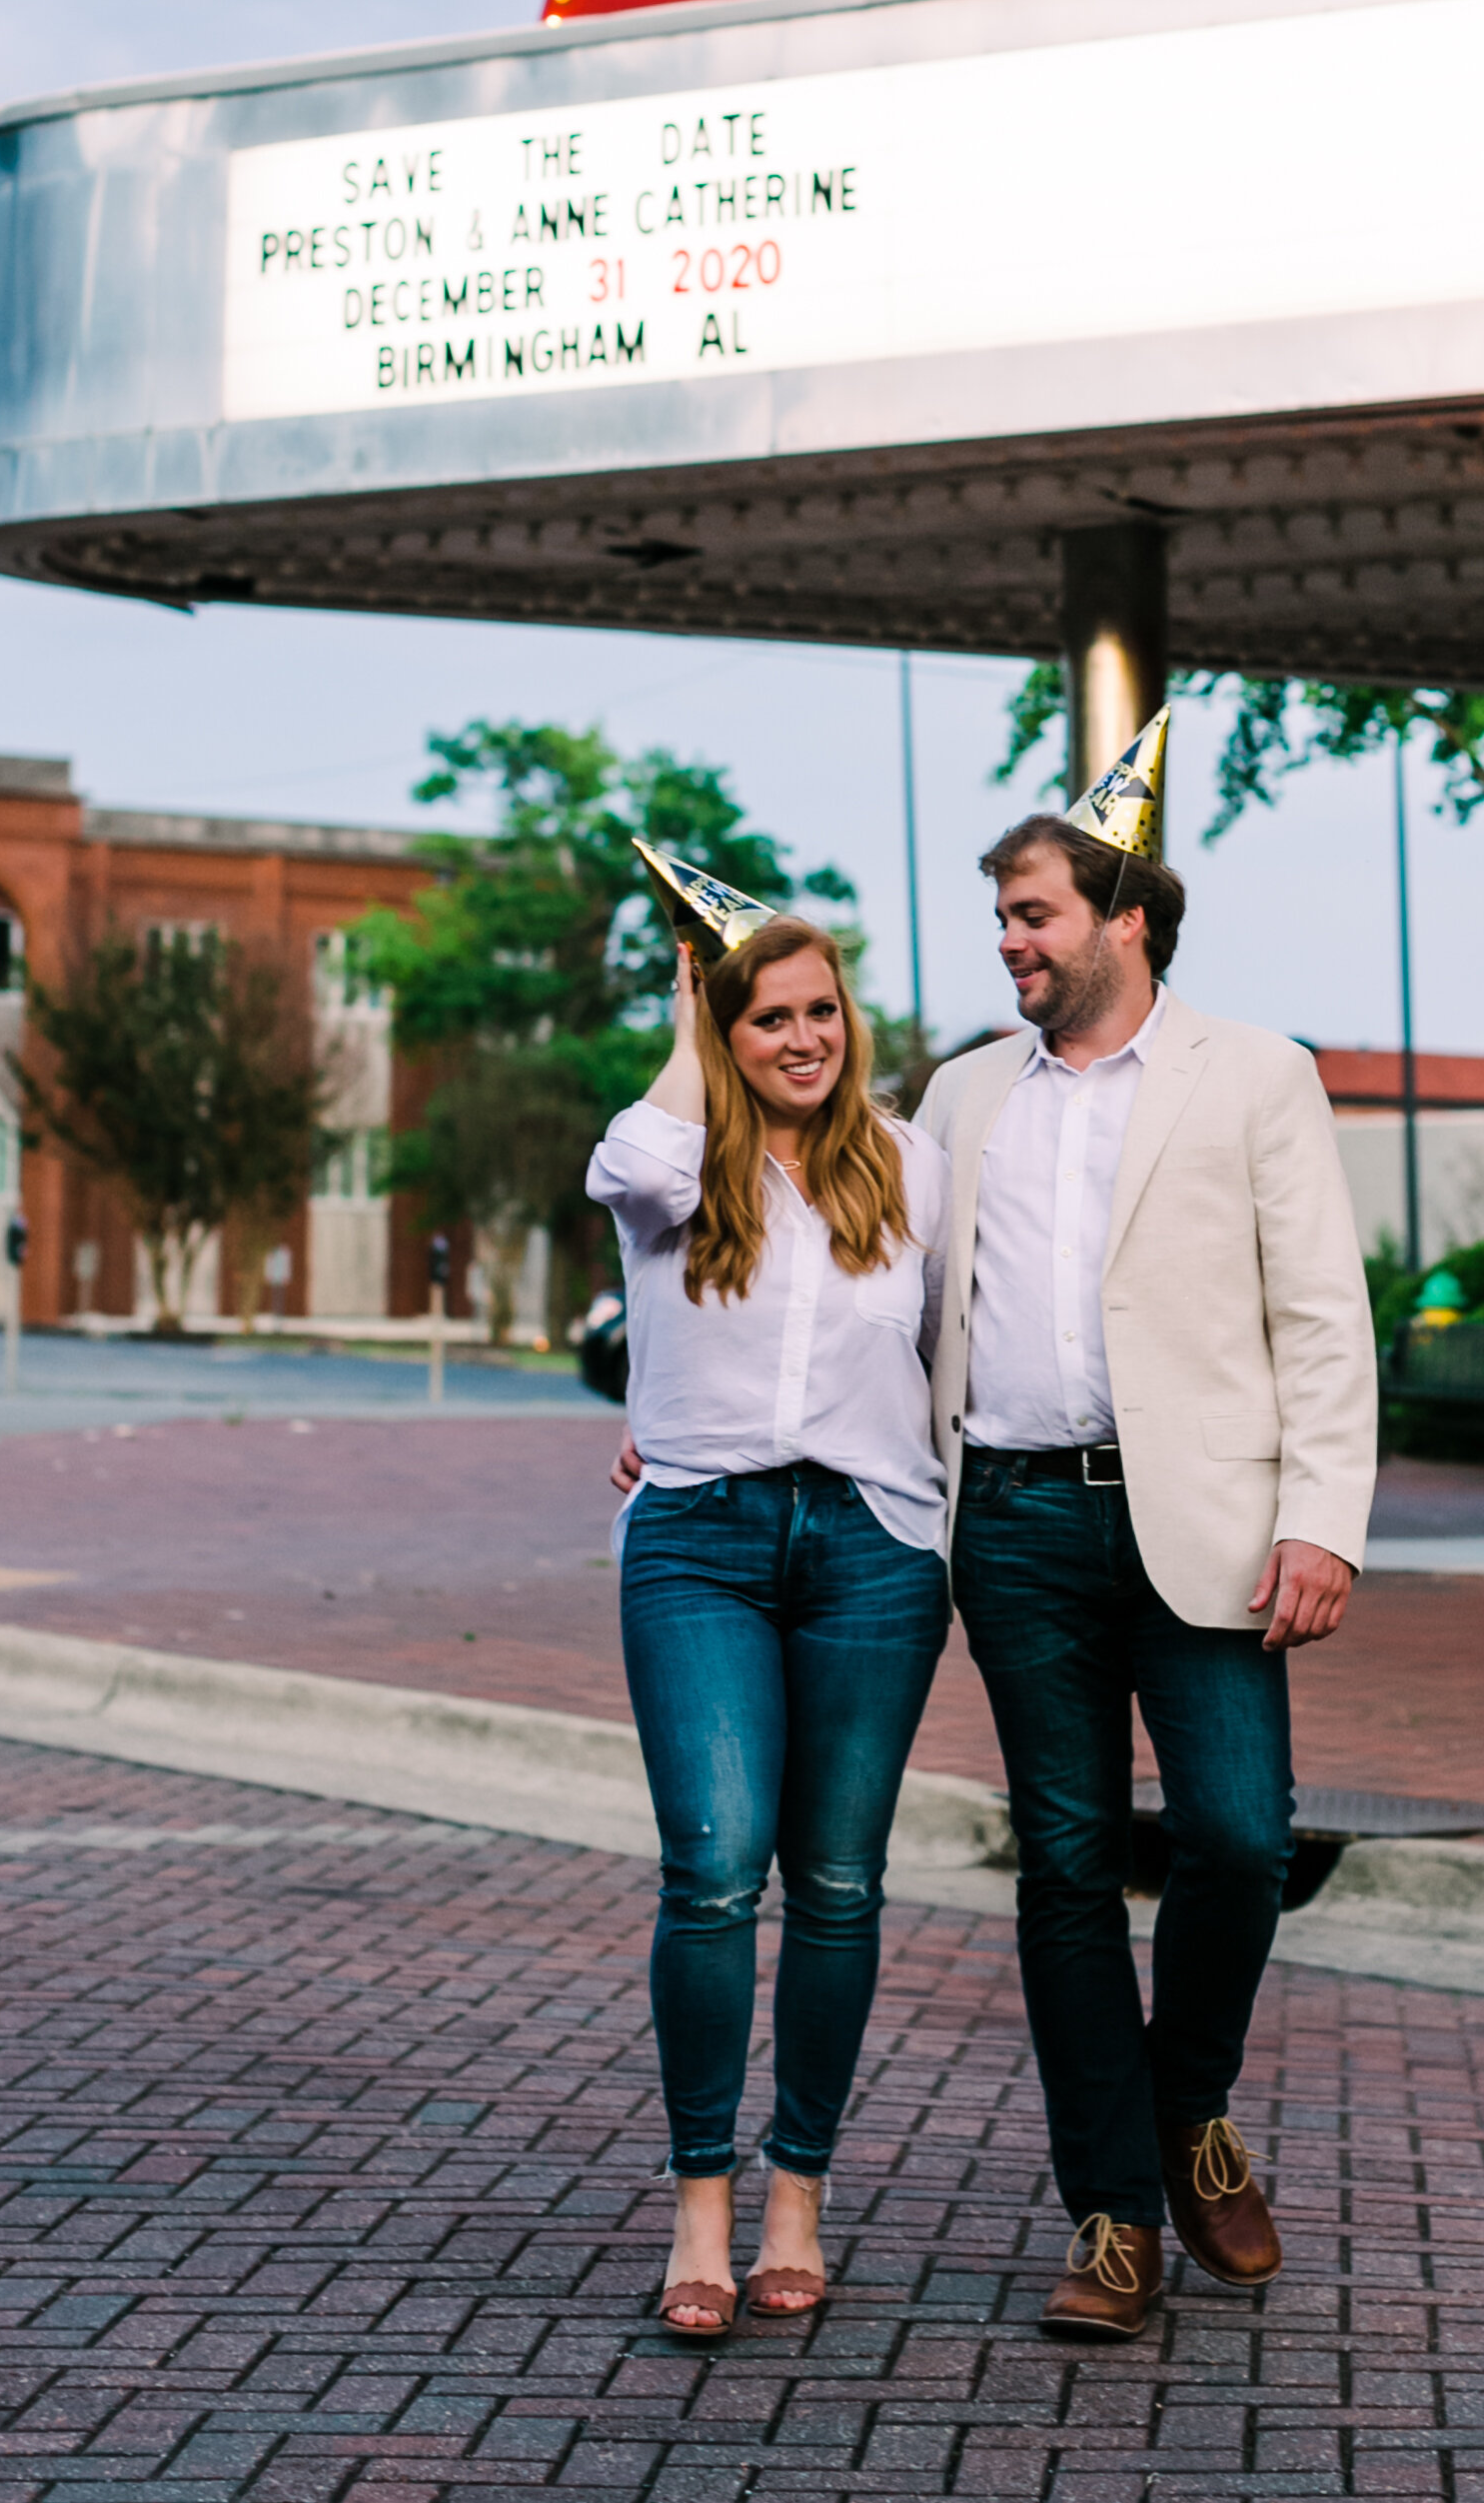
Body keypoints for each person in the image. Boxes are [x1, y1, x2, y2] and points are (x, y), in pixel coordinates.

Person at [916, 786, 1378, 2339]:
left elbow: (1319, 1307)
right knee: (1062, 1870)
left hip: (1210, 1524)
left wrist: (1320, 1514)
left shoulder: (1252, 1074)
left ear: (1124, 919)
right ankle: (1112, 2213)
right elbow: (881, 1298)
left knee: (1240, 1839)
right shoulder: (962, 1095)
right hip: (1018, 1523)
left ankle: (1190, 2108)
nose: (1008, 942)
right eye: (1000, 918)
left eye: (1031, 913)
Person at [590, 912, 951, 2340]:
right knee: (716, 1867)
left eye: (819, 1010)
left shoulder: (912, 1162)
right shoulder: (671, 1163)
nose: (801, 1037)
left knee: (842, 1882)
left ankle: (798, 2185)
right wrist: (688, 1028)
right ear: (723, 1034)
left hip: (872, 1546)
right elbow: (627, 1165)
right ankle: (700, 2199)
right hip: (699, 1541)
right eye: (765, 1018)